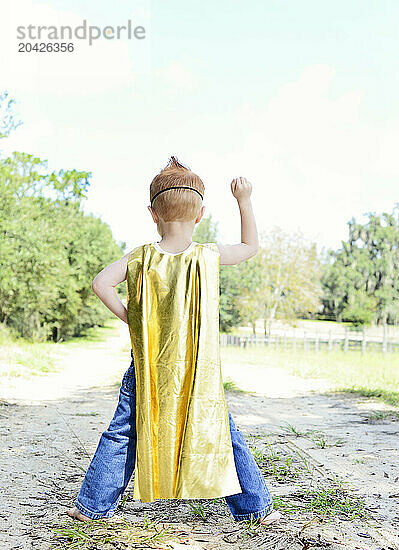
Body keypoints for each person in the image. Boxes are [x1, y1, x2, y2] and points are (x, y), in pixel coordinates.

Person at [67, 156, 281, 526]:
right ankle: (254, 508)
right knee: (221, 432)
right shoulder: (208, 255)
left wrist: (133, 320)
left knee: (124, 430)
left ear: (152, 213)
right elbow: (250, 247)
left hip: (149, 366)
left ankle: (92, 506)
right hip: (199, 370)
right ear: (200, 215)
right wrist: (244, 200)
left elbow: (100, 283)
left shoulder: (140, 257)